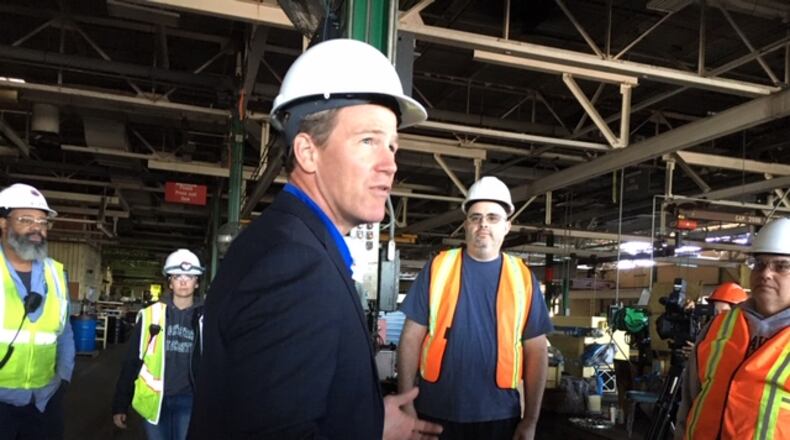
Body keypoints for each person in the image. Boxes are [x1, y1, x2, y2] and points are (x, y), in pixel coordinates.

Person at [189, 39, 441, 439]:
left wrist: (365, 416)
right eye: (368, 141)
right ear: (307, 152)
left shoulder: (295, 244)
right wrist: (369, 431)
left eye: (392, 145)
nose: (390, 164)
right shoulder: (292, 265)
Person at [397, 176, 554, 440]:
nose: (483, 225)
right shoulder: (437, 269)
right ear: (466, 224)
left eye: (493, 218)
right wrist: (406, 403)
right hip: (434, 412)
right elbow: (411, 337)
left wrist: (531, 420)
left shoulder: (523, 277)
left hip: (500, 416)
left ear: (507, 226)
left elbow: (537, 350)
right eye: (475, 217)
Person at [675, 217, 790, 439]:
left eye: (782, 266)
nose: (765, 273)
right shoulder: (717, 329)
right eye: (759, 264)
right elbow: (689, 402)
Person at [0, 183, 74, 440]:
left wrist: (63, 378)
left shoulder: (55, 273)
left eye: (42, 222)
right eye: (26, 219)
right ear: (3, 222)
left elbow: (65, 333)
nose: (36, 228)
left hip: (44, 401)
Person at [113, 249, 205, 440]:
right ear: (170, 282)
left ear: (197, 282)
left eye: (189, 276)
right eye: (177, 275)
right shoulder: (149, 315)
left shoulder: (207, 318)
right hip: (154, 400)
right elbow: (132, 361)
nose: (183, 281)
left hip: (190, 400)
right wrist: (120, 404)